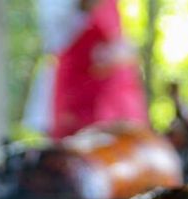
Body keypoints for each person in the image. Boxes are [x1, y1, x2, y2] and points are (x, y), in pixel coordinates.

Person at [23, 0, 149, 140]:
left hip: (118, 100)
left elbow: (117, 40)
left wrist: (123, 51)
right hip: (76, 102)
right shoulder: (59, 9)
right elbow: (57, 35)